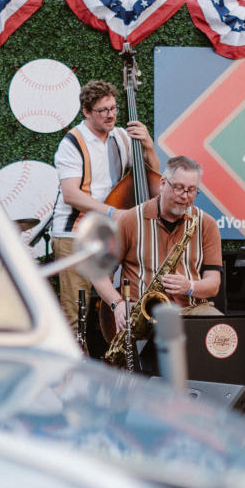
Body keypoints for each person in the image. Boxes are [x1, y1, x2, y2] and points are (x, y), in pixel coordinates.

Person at [53, 79, 160, 334]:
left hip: (111, 235)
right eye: (103, 110)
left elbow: (152, 175)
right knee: (75, 312)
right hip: (74, 234)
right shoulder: (72, 142)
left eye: (113, 108)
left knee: (111, 306)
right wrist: (115, 212)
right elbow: (70, 194)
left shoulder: (122, 137)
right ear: (87, 112)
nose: (110, 115)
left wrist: (148, 145)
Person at [92, 156, 223, 337]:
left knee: (222, 334)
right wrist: (117, 303)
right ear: (162, 184)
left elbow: (213, 284)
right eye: (178, 188)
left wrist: (190, 286)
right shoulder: (129, 220)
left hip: (191, 309)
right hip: (141, 312)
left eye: (192, 190)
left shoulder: (207, 224)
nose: (185, 197)